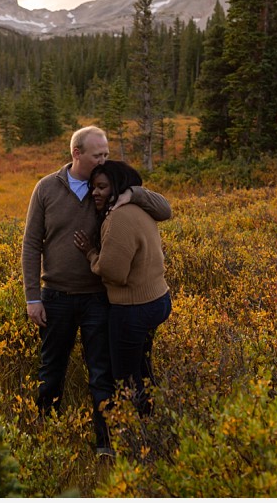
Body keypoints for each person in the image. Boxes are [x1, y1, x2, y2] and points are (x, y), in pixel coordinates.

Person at [23, 126, 171, 456]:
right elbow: (32, 244)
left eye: (106, 153)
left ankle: (104, 442)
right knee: (51, 370)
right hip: (56, 296)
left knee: (101, 373)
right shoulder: (47, 188)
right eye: (97, 155)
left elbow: (164, 210)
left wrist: (135, 194)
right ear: (77, 154)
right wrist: (33, 297)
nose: (105, 158)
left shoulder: (112, 187)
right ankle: (47, 432)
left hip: (99, 299)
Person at [74, 160, 172, 417]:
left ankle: (139, 432)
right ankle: (152, 419)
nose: (95, 192)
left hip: (132, 309)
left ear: (118, 187)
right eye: (93, 187)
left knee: (126, 378)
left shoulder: (118, 219)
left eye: (102, 187)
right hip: (157, 300)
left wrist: (91, 253)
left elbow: (114, 274)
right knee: (142, 368)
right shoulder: (140, 208)